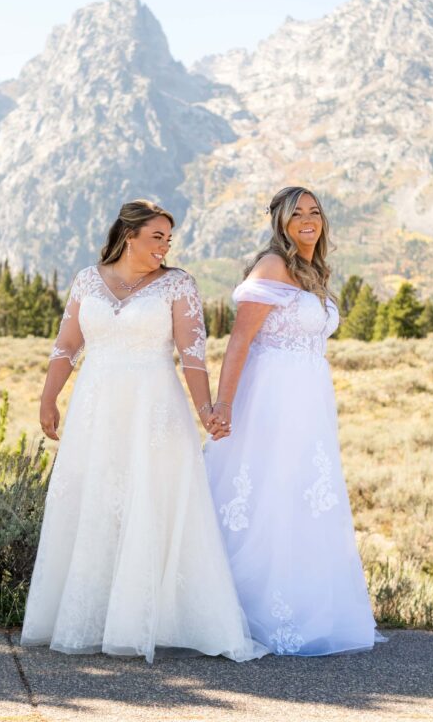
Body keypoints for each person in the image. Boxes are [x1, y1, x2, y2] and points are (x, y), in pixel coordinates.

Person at [21, 199, 265, 663]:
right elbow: (68, 345)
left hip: (155, 412)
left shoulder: (178, 285)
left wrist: (206, 409)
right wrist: (48, 397)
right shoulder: (87, 280)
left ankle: (150, 620)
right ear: (128, 235)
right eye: (157, 237)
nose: (165, 247)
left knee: (150, 505)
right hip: (96, 411)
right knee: (95, 504)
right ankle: (92, 617)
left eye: (168, 240)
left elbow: (192, 354)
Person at [205, 186, 383, 655]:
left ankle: (305, 607)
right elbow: (240, 339)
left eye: (315, 212)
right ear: (280, 222)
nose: (307, 220)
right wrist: (223, 405)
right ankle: (242, 608)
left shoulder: (314, 270)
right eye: (296, 213)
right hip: (271, 399)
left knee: (302, 497)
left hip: (309, 401)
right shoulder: (273, 266)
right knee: (264, 494)